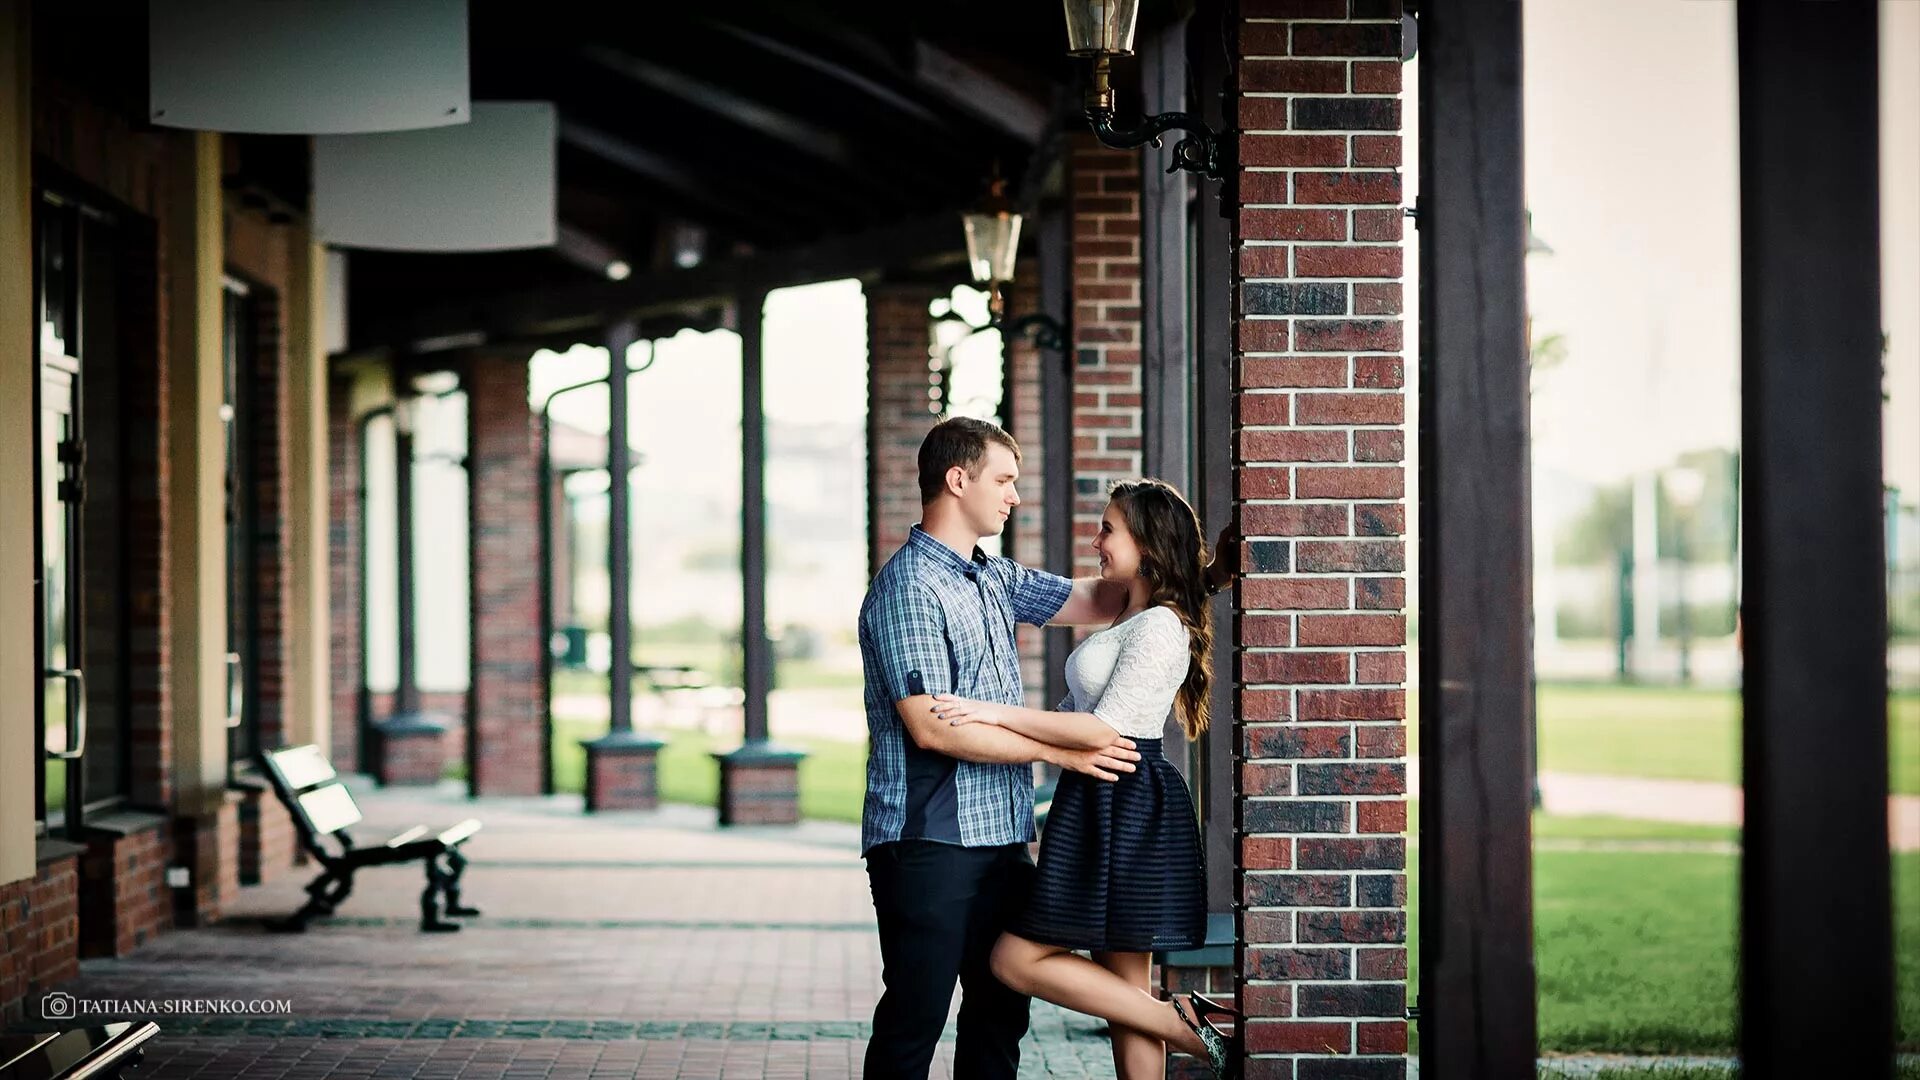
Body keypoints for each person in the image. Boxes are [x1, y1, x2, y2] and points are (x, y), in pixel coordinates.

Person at [858, 416, 1144, 1079]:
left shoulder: (992, 576)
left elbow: (1096, 599)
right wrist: (1062, 752)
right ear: (958, 480)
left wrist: (1204, 569)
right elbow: (933, 728)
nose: (1015, 496)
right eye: (1004, 480)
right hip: (929, 845)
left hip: (1001, 841)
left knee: (999, 1017)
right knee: (915, 1019)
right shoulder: (909, 589)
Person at [930, 478, 1240, 1079]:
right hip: (1099, 795)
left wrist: (990, 711)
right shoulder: (1138, 610)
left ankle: (1184, 1027)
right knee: (1127, 994)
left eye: (1108, 529)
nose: (1096, 539)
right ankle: (1180, 1023)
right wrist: (1214, 571)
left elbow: (1104, 729)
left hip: (1129, 797)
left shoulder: (1157, 626)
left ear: (1146, 542)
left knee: (1014, 960)